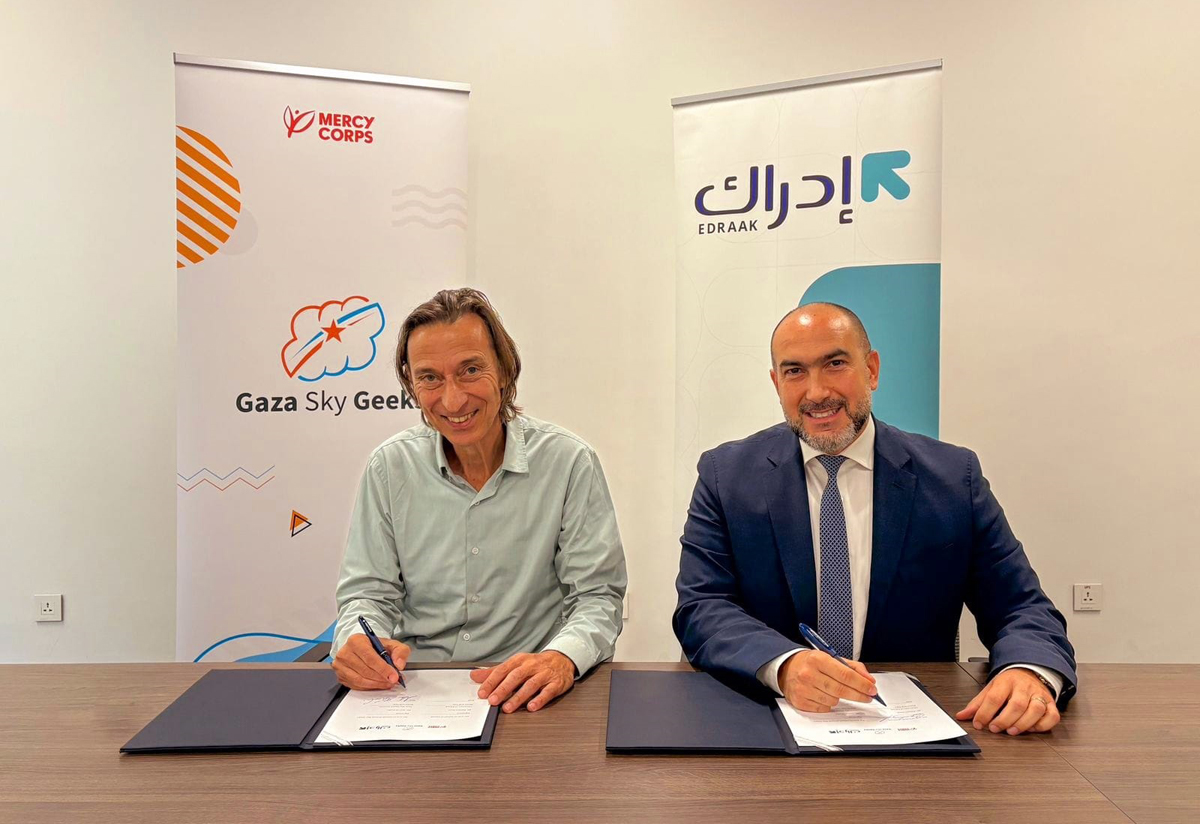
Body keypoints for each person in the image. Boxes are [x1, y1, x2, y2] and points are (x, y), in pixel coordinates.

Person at [673, 302, 1076, 736]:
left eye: (835, 364)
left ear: (872, 370)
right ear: (776, 383)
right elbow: (703, 606)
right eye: (794, 371)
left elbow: (1021, 606)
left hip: (913, 735)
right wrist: (783, 665)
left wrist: (1028, 671)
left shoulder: (952, 478)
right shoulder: (726, 476)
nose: (816, 392)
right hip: (764, 726)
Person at [332, 288, 627, 714]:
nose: (452, 399)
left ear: (504, 371)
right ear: (411, 385)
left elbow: (597, 596)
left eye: (470, 370)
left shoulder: (568, 462)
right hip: (412, 691)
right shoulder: (389, 467)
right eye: (430, 378)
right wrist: (359, 643)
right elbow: (367, 594)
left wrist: (561, 658)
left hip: (526, 692)